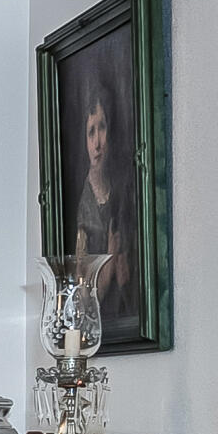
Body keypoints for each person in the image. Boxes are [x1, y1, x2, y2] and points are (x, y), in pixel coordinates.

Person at [64, 79, 139, 339]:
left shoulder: (125, 192)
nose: (97, 143)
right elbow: (84, 295)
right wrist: (109, 261)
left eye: (102, 128)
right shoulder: (82, 205)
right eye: (91, 132)